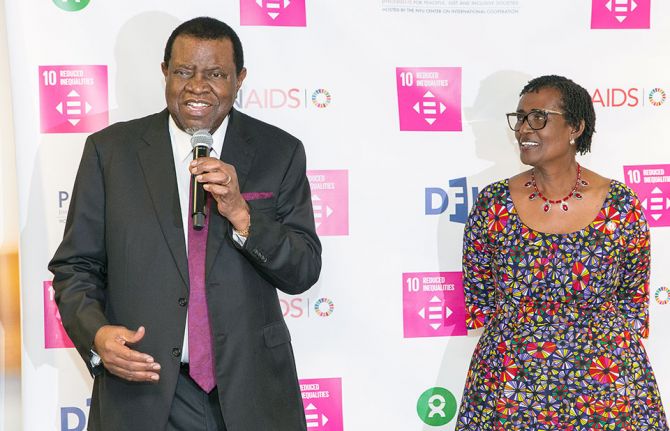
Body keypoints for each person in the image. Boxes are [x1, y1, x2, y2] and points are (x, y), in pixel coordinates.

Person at [48, 16, 321, 431]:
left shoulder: (279, 152)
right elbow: (75, 269)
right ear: (164, 72)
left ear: (239, 78)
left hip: (252, 393)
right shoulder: (110, 152)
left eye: (215, 74)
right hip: (144, 390)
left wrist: (241, 213)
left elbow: (303, 269)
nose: (197, 86)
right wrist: (98, 336)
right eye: (183, 72)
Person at [455, 75, 668, 430]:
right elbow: (480, 296)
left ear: (576, 126)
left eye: (538, 117)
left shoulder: (620, 204)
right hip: (512, 384)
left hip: (604, 382)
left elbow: (633, 298)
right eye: (520, 117)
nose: (524, 128)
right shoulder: (493, 204)